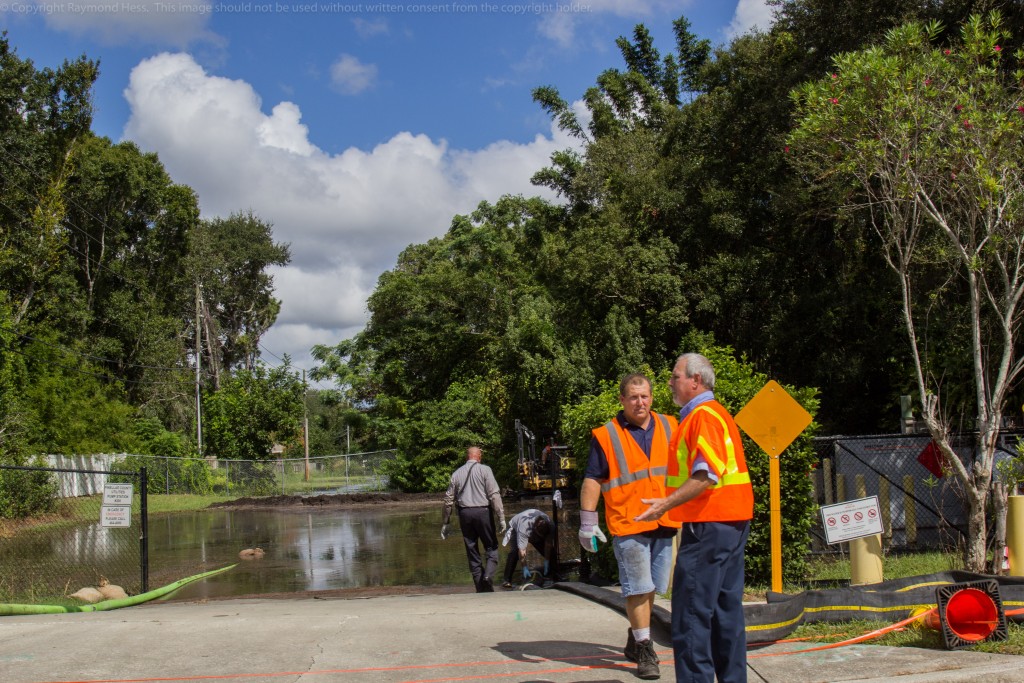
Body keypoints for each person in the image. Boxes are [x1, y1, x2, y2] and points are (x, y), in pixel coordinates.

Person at [635, 353, 754, 683]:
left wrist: (664, 504)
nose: (670, 382)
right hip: (728, 524)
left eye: (675, 377)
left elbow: (707, 475)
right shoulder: (714, 415)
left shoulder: (702, 416)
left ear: (695, 381)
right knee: (724, 615)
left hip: (709, 525)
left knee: (690, 616)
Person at [578, 372, 679, 680]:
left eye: (645, 396)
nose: (640, 402)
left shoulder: (671, 425)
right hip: (629, 522)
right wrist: (587, 521)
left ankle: (636, 637)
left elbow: (687, 469)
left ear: (652, 398)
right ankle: (646, 650)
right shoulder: (607, 435)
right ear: (622, 399)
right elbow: (593, 478)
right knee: (638, 589)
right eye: (633, 397)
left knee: (654, 589)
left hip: (666, 520)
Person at [441, 446, 506, 593]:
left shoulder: (456, 473)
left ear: (467, 457)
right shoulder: (485, 470)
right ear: (479, 457)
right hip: (483, 512)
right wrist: (501, 517)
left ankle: (480, 588)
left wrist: (445, 523)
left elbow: (448, 500)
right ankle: (488, 577)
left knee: (472, 550)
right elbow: (494, 495)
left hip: (465, 514)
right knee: (491, 546)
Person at [500, 508, 556, 588]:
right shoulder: (524, 528)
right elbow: (522, 551)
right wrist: (524, 567)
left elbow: (548, 544)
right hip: (515, 528)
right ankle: (507, 580)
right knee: (514, 552)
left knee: (551, 552)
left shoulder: (551, 525)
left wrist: (547, 560)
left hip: (535, 530)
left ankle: (553, 576)